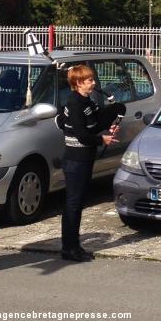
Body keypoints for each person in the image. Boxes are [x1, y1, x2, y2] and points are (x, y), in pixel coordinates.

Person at [58, 64, 125, 262]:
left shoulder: (86, 101)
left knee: (77, 204)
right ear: (78, 83)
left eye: (92, 79)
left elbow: (95, 121)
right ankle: (69, 248)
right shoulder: (75, 102)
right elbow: (82, 135)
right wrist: (101, 140)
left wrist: (112, 119)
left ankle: (74, 246)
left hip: (84, 159)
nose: (93, 83)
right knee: (73, 204)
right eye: (89, 80)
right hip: (75, 160)